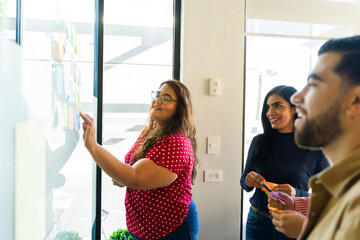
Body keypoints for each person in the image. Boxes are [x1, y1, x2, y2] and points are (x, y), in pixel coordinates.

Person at [81, 80, 199, 240]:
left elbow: (134, 176)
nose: (157, 100)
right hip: (146, 227)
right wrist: (122, 178)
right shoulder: (151, 130)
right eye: (157, 95)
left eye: (166, 98)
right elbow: (132, 167)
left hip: (171, 228)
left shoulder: (176, 144)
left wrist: (93, 146)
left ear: (179, 109)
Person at [268, 35, 360, 240]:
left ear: (355, 100)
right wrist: (295, 205)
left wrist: (304, 230)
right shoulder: (344, 184)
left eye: (314, 84)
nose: (296, 98)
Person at [240, 85, 330, 240]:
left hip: (293, 225)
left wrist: (297, 194)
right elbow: (244, 182)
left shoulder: (315, 148)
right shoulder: (259, 141)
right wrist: (248, 181)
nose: (270, 112)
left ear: (295, 109)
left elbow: (328, 194)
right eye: (268, 107)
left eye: (277, 105)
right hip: (258, 222)